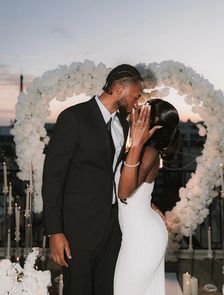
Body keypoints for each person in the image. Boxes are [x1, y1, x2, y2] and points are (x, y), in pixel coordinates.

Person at [42, 64, 144, 295]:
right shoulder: (73, 117)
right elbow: (53, 177)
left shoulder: (124, 124)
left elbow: (123, 173)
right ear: (119, 89)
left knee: (106, 288)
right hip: (77, 228)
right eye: (135, 95)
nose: (136, 102)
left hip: (112, 224)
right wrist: (55, 231)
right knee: (78, 289)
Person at [114, 99, 181, 295]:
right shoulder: (141, 150)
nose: (135, 114)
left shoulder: (148, 152)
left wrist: (136, 142)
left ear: (151, 123)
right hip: (140, 229)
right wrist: (149, 203)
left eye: (142, 113)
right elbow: (138, 190)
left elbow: (124, 193)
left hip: (141, 237)